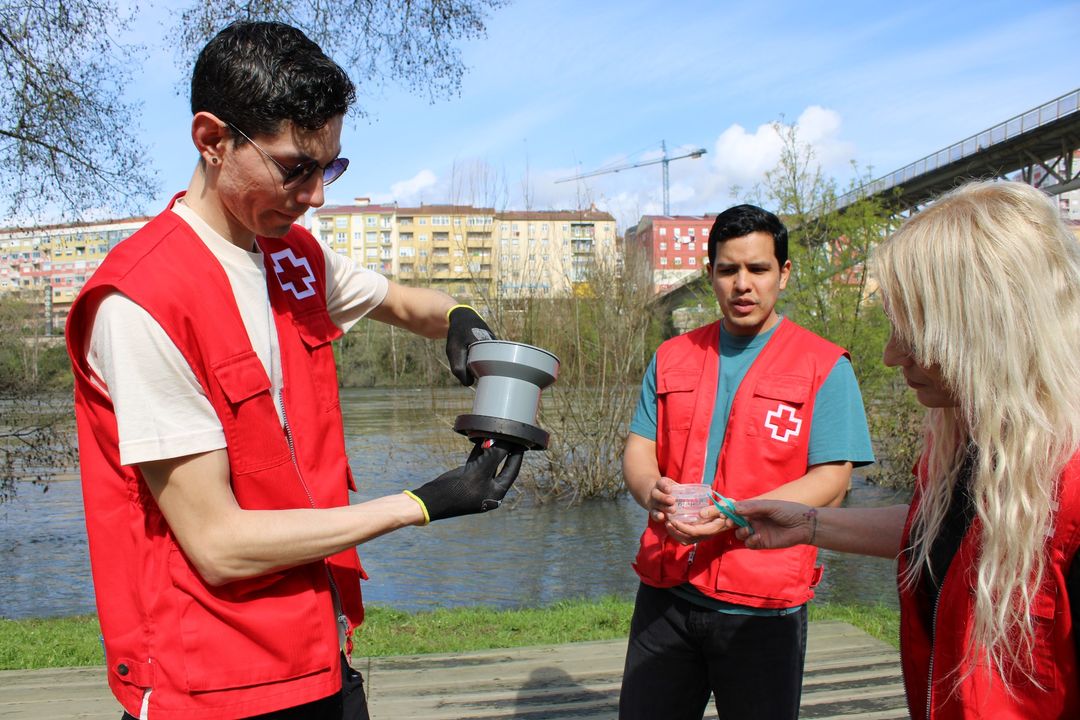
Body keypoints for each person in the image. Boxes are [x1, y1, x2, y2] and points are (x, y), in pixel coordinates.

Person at [64, 21, 524, 720]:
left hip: (318, 657)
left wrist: (461, 317)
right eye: (294, 168)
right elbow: (218, 546)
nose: (316, 196)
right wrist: (421, 503)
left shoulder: (290, 256)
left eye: (329, 168)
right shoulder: (141, 303)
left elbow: (405, 303)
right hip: (213, 687)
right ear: (212, 140)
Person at [732, 180, 1080, 719]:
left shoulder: (1070, 486)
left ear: (990, 329)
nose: (891, 355)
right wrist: (807, 525)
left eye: (915, 333)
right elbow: (949, 532)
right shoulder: (975, 443)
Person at [619, 203, 875, 719]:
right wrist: (652, 492)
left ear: (784, 273)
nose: (742, 285)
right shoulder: (671, 356)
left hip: (763, 605)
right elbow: (639, 448)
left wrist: (736, 512)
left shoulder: (825, 365)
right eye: (728, 270)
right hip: (666, 595)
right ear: (709, 273)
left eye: (758, 269)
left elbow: (832, 479)